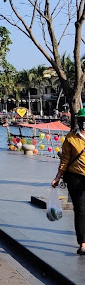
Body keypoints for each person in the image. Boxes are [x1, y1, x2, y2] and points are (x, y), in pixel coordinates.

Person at [52, 107, 85, 255]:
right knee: (80, 209)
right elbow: (65, 160)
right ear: (79, 121)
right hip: (75, 177)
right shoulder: (71, 138)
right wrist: (58, 177)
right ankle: (83, 243)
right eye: (82, 120)